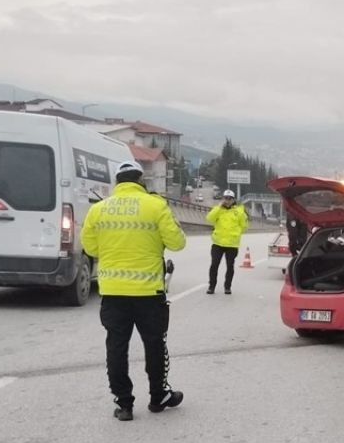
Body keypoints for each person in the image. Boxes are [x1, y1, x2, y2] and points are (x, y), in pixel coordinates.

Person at [81, 161, 187, 422]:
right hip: (148, 292)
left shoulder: (98, 209)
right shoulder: (155, 205)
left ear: (117, 183)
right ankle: (158, 396)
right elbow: (177, 242)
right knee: (154, 344)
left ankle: (124, 404)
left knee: (116, 347)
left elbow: (91, 249)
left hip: (113, 292)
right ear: (141, 181)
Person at [206, 189, 248, 294]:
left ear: (233, 200)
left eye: (230, 198)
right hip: (217, 243)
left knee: (230, 266)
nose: (227, 200)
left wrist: (236, 233)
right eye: (225, 198)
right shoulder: (218, 209)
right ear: (222, 199)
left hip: (232, 244)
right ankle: (211, 286)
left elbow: (244, 226)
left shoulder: (239, 211)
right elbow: (209, 218)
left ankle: (227, 287)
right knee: (214, 265)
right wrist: (219, 207)